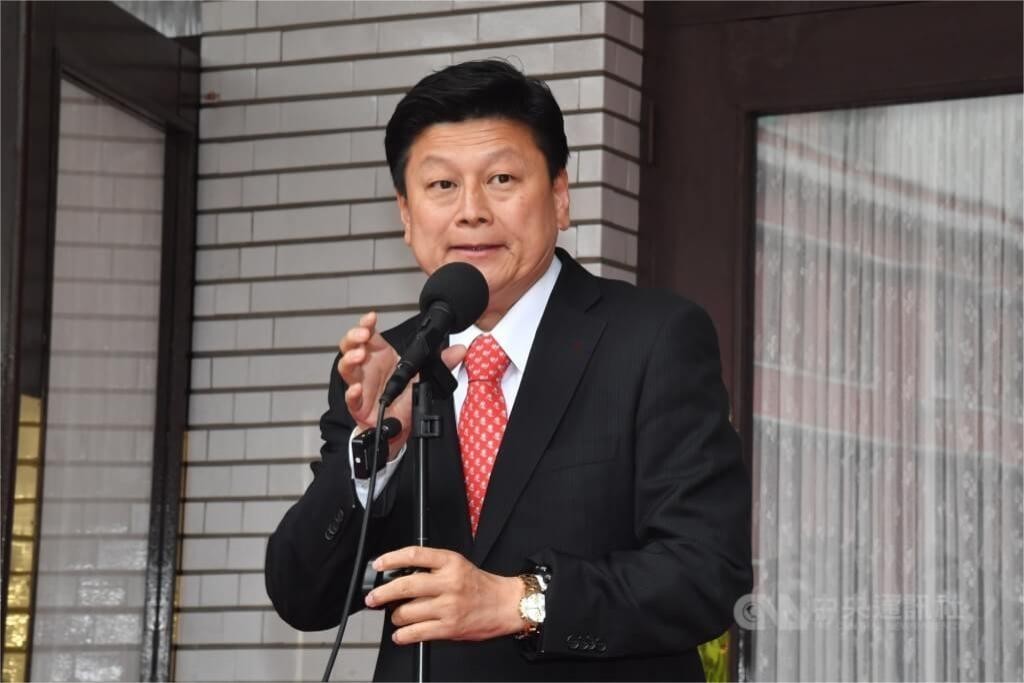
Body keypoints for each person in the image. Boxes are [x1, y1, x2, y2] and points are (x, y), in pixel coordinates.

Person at [265, 59, 752, 682]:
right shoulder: (389, 367)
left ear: (560, 195)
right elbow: (302, 595)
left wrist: (520, 601)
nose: (471, 211)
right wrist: (378, 449)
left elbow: (706, 572)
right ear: (406, 215)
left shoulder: (653, 339)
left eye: (501, 178)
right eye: (442, 185)